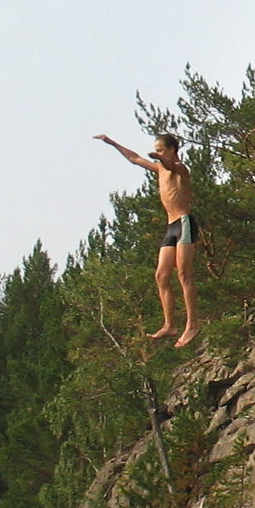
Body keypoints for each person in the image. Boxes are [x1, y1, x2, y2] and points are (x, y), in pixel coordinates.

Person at [93, 133, 201, 347]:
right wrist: (113, 143)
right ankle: (170, 324)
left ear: (171, 150)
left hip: (184, 222)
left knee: (183, 273)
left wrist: (162, 159)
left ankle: (192, 325)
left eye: (161, 150)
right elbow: (134, 158)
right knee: (161, 276)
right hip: (171, 227)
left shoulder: (180, 169)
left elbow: (171, 166)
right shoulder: (160, 168)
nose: (158, 155)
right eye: (157, 151)